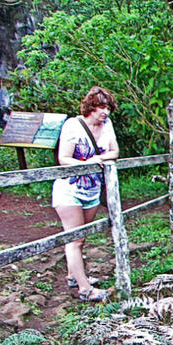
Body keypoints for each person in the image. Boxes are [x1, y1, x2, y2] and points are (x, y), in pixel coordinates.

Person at [53, 86, 119, 301]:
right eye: (101, 107)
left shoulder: (107, 126)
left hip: (91, 190)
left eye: (108, 107)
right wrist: (89, 161)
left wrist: (103, 158)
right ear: (90, 107)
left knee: (81, 238)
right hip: (69, 190)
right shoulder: (73, 126)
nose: (105, 112)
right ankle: (85, 289)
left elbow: (115, 151)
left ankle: (74, 275)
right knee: (75, 239)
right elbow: (64, 158)